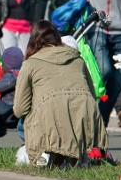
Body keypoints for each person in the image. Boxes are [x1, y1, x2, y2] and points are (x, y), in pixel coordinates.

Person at [13, 20, 108, 167]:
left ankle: (44, 152)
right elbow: (92, 93)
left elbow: (19, 109)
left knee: (26, 119)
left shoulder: (30, 64)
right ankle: (78, 156)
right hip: (85, 120)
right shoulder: (78, 60)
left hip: (51, 121)